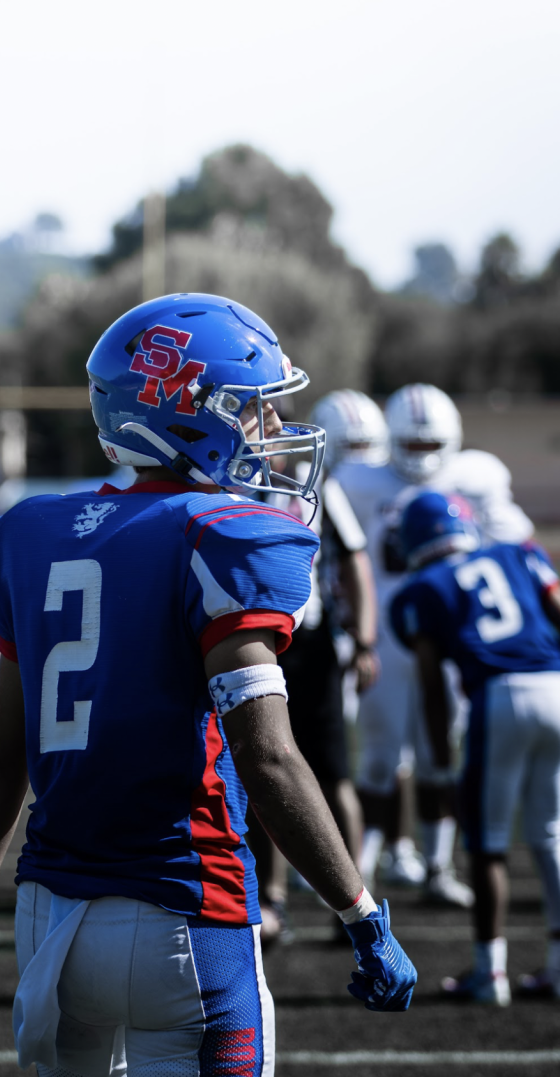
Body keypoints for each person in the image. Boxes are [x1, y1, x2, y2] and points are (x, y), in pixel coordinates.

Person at [0, 293, 416, 1077]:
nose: (276, 435)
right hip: (186, 911)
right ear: (191, 415)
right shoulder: (225, 538)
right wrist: (359, 913)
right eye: (255, 412)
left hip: (49, 918)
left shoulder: (34, 534)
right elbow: (268, 760)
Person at [333, 383, 533, 905]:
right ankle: (364, 875)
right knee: (378, 759)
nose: (422, 458)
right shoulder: (360, 479)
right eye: (412, 445)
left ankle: (438, 867)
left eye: (431, 446)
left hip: (445, 640)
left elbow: (515, 541)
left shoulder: (475, 477)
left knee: (438, 757)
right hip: (388, 641)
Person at [390, 490, 560, 1005]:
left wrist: (439, 757)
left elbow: (429, 680)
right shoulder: (518, 550)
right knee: (551, 832)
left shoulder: (421, 589)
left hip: (499, 696)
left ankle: (490, 973)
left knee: (486, 844)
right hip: (555, 684)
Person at [250, 390, 383, 943]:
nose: (278, 432)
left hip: (311, 642)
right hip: (253, 641)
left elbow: (353, 558)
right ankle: (271, 899)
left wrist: (367, 639)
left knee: (333, 774)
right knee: (260, 768)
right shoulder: (222, 489)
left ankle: (354, 897)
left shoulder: (314, 483)